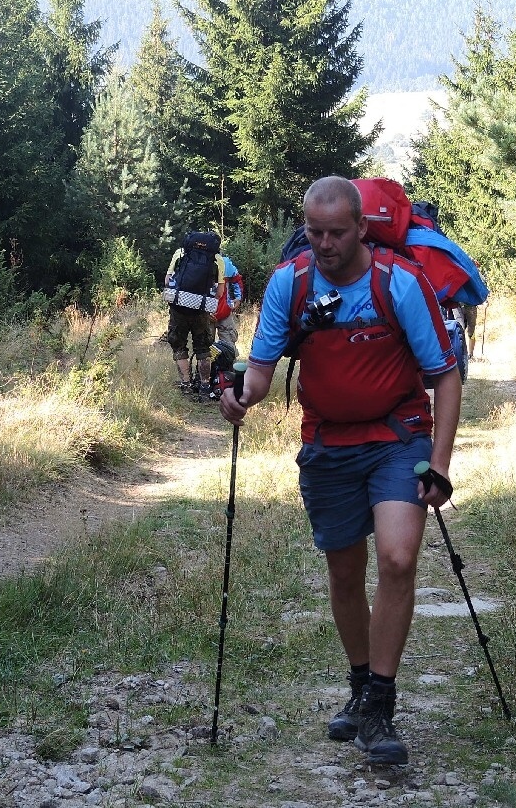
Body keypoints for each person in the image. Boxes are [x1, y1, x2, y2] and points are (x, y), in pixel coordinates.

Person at [220, 176, 461, 765]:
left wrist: (439, 463)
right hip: (326, 443)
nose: (324, 244)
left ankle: (380, 704)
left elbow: (445, 375)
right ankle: (359, 688)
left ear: (360, 229)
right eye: (313, 231)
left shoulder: (399, 284)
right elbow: (262, 369)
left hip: (398, 436)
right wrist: (240, 396)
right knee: (345, 572)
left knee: (399, 559)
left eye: (335, 233)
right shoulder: (290, 284)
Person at [163, 231, 224, 393]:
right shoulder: (217, 259)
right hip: (202, 310)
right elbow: (219, 291)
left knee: (179, 345)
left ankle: (186, 384)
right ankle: (204, 386)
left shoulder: (180, 253)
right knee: (203, 348)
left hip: (178, 308)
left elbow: (168, 280)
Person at [214, 249, 244, 347]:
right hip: (224, 310)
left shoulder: (196, 262)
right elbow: (237, 280)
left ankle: (205, 362)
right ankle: (230, 361)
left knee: (204, 348)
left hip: (205, 311)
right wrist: (238, 298)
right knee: (229, 342)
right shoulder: (225, 262)